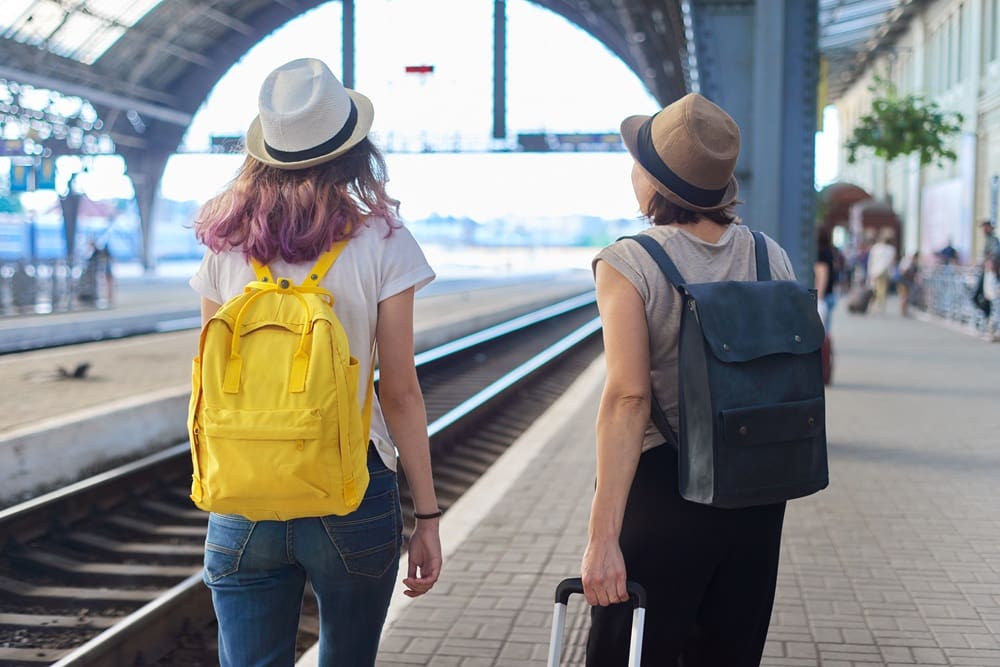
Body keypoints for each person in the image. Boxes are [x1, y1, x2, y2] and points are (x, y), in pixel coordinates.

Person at [189, 58, 442, 666]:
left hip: (243, 492)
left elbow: (206, 381)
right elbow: (400, 390)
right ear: (352, 150)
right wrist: (427, 515)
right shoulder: (383, 240)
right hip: (351, 487)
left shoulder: (225, 244)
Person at [581, 93, 793, 666]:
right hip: (756, 495)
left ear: (653, 181)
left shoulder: (629, 262)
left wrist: (603, 539)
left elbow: (628, 398)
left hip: (662, 492)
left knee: (626, 655)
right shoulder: (771, 257)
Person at [972, 220, 999, 321]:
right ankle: (988, 318)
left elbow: (995, 254)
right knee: (981, 298)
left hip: (990, 273)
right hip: (985, 272)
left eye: (985, 227)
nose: (983, 230)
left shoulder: (993, 240)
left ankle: (989, 319)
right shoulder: (988, 239)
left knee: (988, 297)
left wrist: (989, 262)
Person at [866, 229, 896, 314]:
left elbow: (871, 261)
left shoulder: (876, 248)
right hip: (884, 271)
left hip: (875, 271)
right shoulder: (891, 249)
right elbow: (891, 263)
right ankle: (879, 305)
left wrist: (870, 272)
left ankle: (874, 305)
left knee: (875, 289)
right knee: (882, 289)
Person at [814, 227, 839, 331]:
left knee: (821, 331)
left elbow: (822, 274)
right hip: (830, 293)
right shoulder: (830, 251)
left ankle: (825, 346)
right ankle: (827, 346)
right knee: (826, 329)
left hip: (823, 295)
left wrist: (818, 297)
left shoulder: (820, 252)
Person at [897, 251, 920, 317]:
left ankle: (904, 311)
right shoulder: (909, 263)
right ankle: (903, 311)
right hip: (904, 282)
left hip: (907, 282)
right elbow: (903, 272)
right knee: (904, 296)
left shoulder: (912, 263)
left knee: (905, 297)